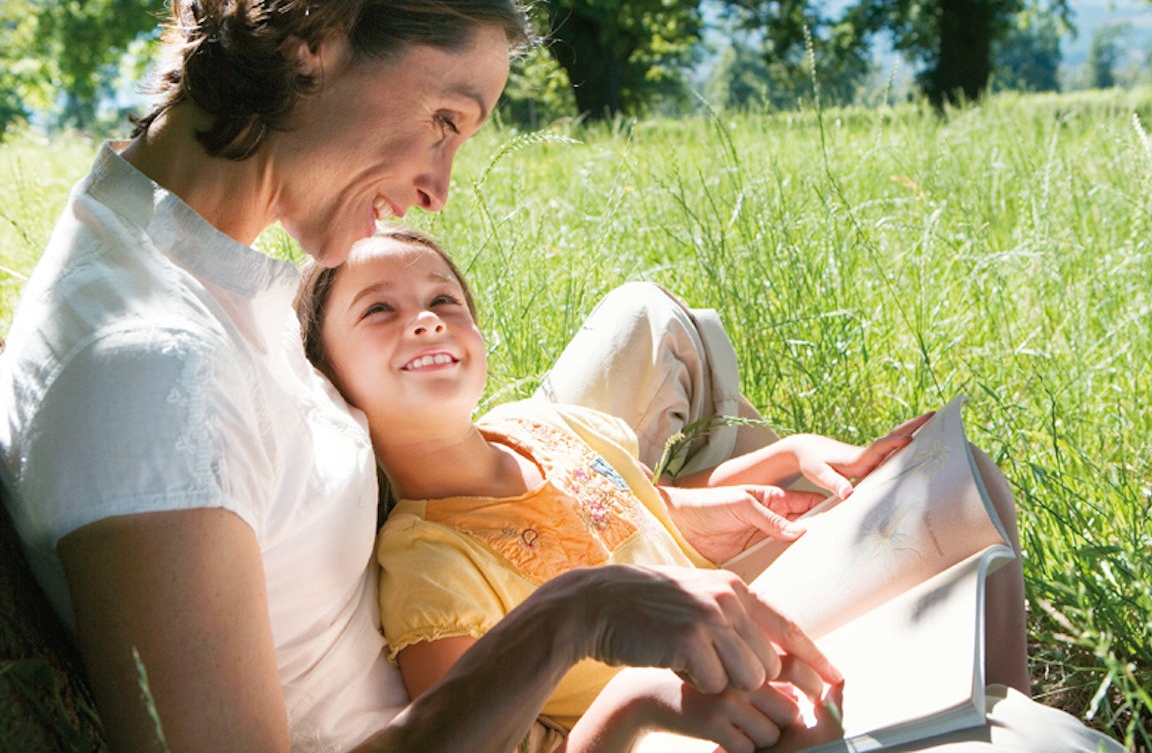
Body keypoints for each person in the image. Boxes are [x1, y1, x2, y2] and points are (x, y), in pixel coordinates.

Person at [0, 0, 846, 752]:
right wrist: (574, 616)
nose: (437, 190)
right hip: (495, 710)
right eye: (443, 121)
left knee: (882, 486)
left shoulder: (182, 266)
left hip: (481, 619)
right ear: (314, 48)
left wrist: (646, 515)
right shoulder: (148, 371)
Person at [296, 226, 1128, 753]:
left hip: (749, 627)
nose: (428, 318)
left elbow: (647, 509)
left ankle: (986, 693)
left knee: (959, 479)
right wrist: (636, 704)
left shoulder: (547, 428)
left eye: (445, 298)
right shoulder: (424, 560)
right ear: (329, 380)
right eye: (379, 310)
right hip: (671, 720)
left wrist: (784, 460)